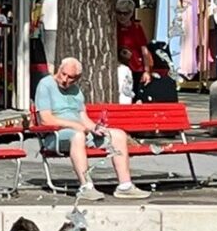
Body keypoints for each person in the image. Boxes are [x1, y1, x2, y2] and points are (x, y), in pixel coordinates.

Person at [32, 56, 143, 202]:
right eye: (63, 74)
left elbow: (83, 119)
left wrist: (95, 128)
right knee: (77, 135)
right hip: (56, 135)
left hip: (81, 132)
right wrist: (74, 126)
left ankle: (125, 186)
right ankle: (86, 186)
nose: (65, 79)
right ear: (59, 69)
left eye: (70, 77)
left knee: (118, 135)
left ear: (77, 78)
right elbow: (46, 119)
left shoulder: (76, 90)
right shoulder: (45, 84)